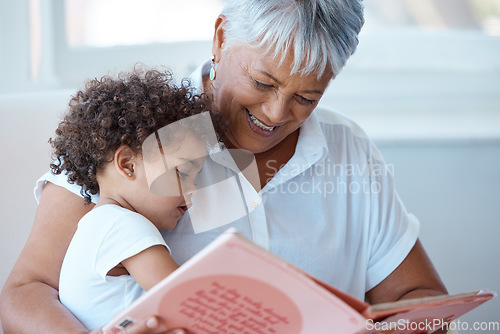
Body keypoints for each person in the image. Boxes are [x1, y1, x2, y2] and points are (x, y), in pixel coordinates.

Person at [0, 1, 448, 333]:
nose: (275, 113)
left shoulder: (345, 149)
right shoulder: (139, 140)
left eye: (306, 97)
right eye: (262, 82)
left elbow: (419, 299)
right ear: (220, 38)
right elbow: (24, 294)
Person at [48, 69, 224, 331]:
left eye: (195, 179)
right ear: (127, 164)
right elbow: (189, 302)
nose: (193, 190)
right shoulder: (123, 226)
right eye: (183, 173)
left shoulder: (97, 224)